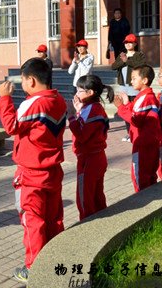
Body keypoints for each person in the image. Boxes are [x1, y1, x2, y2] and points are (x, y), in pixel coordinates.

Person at [0, 58, 67, 283]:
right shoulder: (59, 100)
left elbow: (11, 126)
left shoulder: (34, 103)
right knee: (54, 218)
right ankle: (54, 260)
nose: (23, 84)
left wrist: (4, 98)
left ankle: (34, 268)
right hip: (52, 170)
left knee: (33, 221)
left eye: (23, 80)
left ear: (32, 81)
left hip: (31, 173)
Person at [67, 75, 113, 220]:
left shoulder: (92, 109)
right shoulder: (94, 107)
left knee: (85, 199)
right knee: (97, 196)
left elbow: (82, 135)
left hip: (88, 159)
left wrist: (71, 116)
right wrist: (78, 110)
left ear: (90, 92)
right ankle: (102, 222)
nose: (76, 94)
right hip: (97, 156)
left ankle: (88, 225)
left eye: (79, 90)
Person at [114, 65, 162, 193]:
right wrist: (127, 103)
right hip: (150, 141)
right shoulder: (146, 96)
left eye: (134, 78)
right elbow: (137, 111)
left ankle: (142, 199)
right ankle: (152, 195)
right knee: (150, 174)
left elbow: (135, 119)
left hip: (142, 143)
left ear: (144, 80)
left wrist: (120, 107)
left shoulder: (145, 97)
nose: (131, 81)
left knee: (140, 175)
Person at [111, 34, 146, 142]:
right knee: (126, 110)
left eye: (130, 42)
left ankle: (137, 132)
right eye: (126, 42)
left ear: (135, 44)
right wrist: (122, 60)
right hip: (123, 87)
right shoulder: (122, 55)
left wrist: (127, 61)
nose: (128, 44)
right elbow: (113, 66)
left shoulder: (139, 55)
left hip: (134, 87)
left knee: (135, 111)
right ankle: (129, 133)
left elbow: (141, 65)